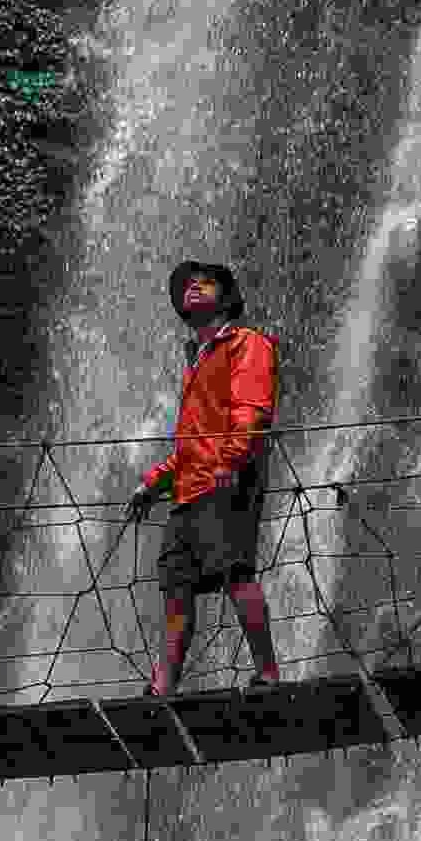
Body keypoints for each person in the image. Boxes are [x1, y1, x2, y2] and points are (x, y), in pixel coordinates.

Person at [130, 256, 279, 694]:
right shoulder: (196, 358)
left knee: (236, 573)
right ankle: (163, 687)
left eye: (206, 283)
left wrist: (228, 463)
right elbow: (191, 441)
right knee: (176, 587)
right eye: (187, 284)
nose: (194, 287)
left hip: (225, 479)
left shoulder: (246, 343)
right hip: (189, 490)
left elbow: (250, 413)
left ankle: (267, 672)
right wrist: (154, 482)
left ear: (227, 296)